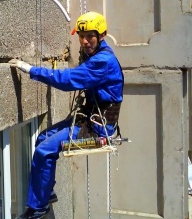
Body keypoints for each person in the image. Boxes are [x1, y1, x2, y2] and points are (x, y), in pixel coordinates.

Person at [9, 11, 124, 219]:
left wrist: (31, 69)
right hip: (89, 117)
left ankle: (38, 207)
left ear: (102, 35)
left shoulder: (102, 62)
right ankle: (46, 192)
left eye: (90, 36)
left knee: (44, 150)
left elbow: (66, 80)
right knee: (43, 137)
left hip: (98, 127)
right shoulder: (95, 55)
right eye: (81, 36)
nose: (85, 41)